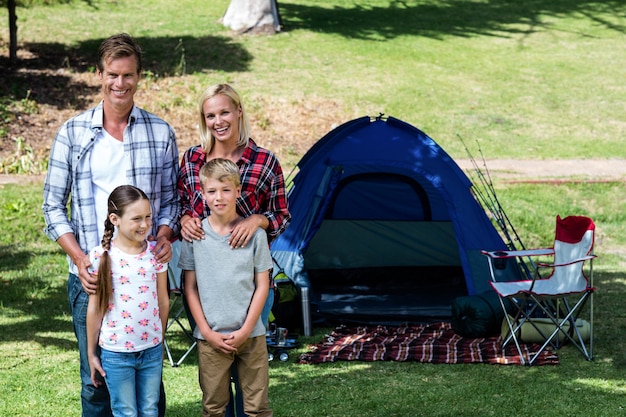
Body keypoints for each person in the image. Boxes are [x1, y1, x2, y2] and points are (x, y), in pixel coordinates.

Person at [42, 33, 180, 417]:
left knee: (149, 382)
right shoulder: (72, 133)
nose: (121, 84)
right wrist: (81, 258)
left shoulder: (159, 132)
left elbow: (172, 201)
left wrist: (165, 235)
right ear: (99, 74)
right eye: (113, 74)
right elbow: (52, 206)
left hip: (143, 274)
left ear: (140, 76)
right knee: (96, 379)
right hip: (93, 278)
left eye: (129, 75)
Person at [177, 83, 290, 416]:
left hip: (251, 281)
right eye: (210, 115)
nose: (218, 121)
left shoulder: (264, 161)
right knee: (215, 392)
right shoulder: (192, 158)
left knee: (252, 388)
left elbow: (282, 215)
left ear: (239, 111)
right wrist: (184, 218)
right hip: (207, 282)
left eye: (224, 112)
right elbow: (182, 204)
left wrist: (257, 219)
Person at [179, 158, 274, 417]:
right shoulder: (195, 236)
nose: (219, 197)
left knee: (257, 408)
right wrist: (206, 333)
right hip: (211, 339)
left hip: (251, 336)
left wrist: (246, 329)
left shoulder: (256, 235)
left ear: (238, 191)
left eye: (226, 190)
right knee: (213, 408)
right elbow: (190, 289)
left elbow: (262, 285)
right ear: (202, 194)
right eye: (211, 191)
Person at [86, 185, 169, 417]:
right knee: (125, 412)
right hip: (116, 352)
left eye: (148, 217)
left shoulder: (156, 254)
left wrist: (159, 341)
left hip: (151, 351)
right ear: (115, 219)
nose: (144, 224)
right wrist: (92, 353)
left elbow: (163, 300)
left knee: (150, 410)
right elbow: (95, 309)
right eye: (136, 219)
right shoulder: (101, 257)